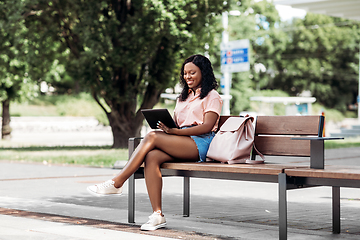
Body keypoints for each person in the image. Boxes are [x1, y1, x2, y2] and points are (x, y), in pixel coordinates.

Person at [87, 54, 223, 231]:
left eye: (192, 73)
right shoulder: (182, 98)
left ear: (203, 73)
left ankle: (117, 182)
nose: (187, 77)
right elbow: (177, 124)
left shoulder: (212, 96)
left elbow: (207, 127)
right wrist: (170, 128)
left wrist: (174, 132)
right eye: (185, 73)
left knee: (151, 136)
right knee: (152, 156)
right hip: (181, 139)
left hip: (200, 143)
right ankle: (157, 215)